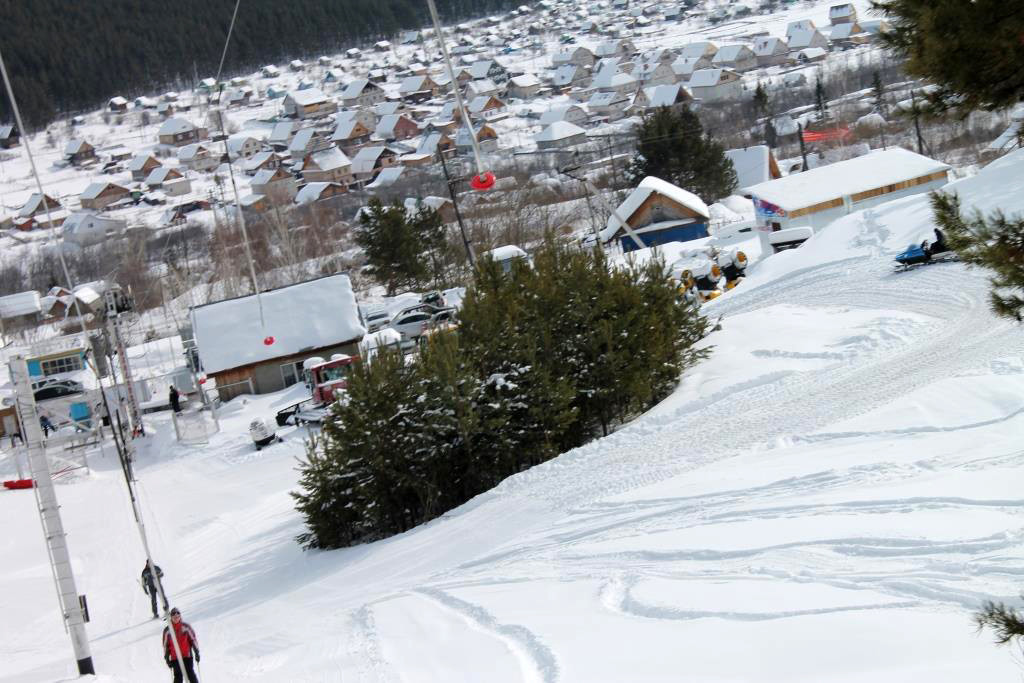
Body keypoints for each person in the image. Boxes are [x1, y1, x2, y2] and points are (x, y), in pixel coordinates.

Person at [163, 607, 200, 683]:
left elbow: (193, 639)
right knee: (178, 676)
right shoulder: (167, 630)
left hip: (187, 656)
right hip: (175, 658)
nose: (176, 616)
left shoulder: (185, 627)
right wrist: (167, 658)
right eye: (173, 615)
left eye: (178, 614)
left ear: (180, 616)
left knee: (190, 674)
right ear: (171, 617)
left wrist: (196, 652)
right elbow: (166, 645)